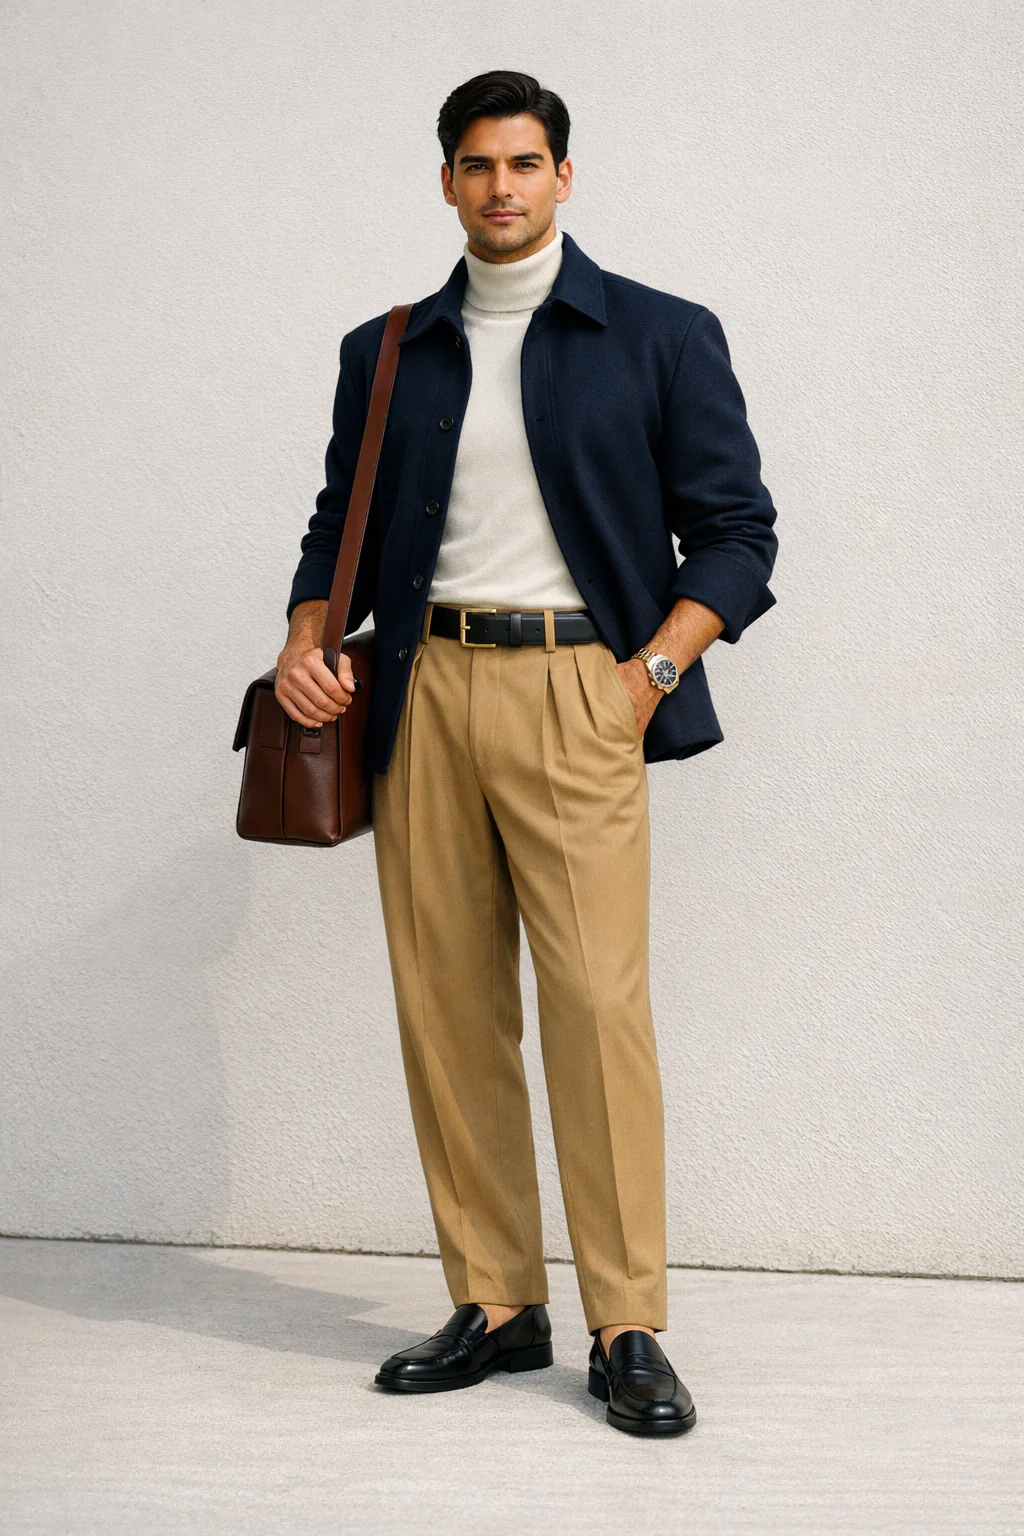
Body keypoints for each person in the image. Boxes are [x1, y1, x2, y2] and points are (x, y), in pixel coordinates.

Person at [275, 70, 778, 1437]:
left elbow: (738, 533)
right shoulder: (384, 350)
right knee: (447, 1004)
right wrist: (304, 636)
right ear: (446, 181)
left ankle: (625, 1324)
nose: (502, 187)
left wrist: (646, 676)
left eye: (526, 163)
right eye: (477, 165)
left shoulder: (662, 337)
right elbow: (339, 522)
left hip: (578, 692)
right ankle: (498, 1303)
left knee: (597, 1007)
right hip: (423, 688)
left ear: (565, 176)